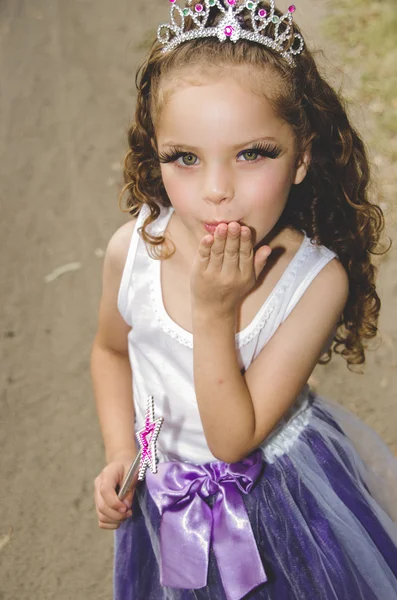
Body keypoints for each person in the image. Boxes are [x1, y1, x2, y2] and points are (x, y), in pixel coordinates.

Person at [91, 1, 397, 598]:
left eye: (252, 153)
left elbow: (233, 440)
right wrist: (121, 452)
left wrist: (213, 312)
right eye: (185, 157)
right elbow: (110, 352)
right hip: (165, 496)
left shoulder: (316, 280)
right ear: (156, 153)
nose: (216, 191)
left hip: (284, 505)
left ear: (302, 155)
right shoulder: (132, 249)